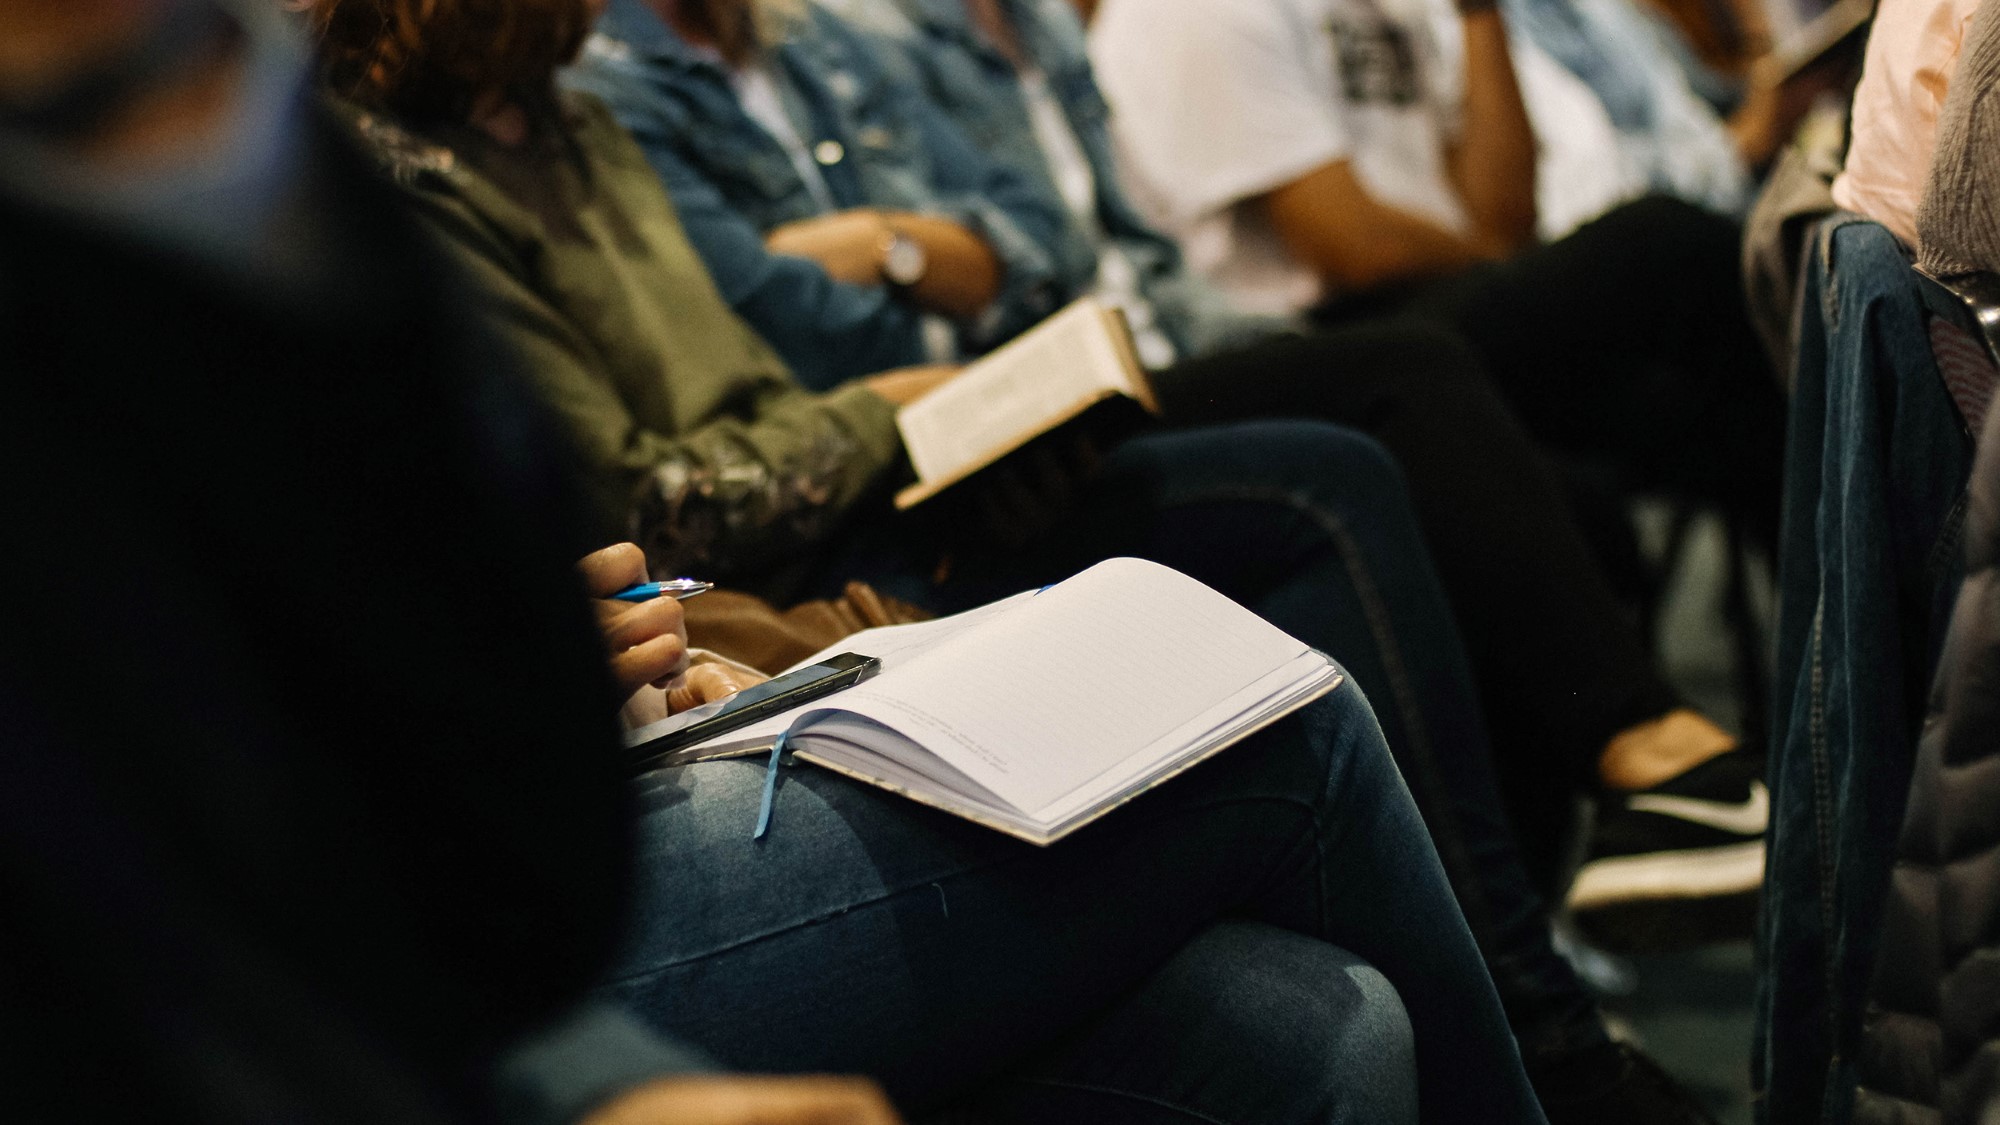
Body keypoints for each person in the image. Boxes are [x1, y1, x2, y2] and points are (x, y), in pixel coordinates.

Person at [307, 1, 1560, 1120]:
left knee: (1322, 1024)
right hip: (486, 891)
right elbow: (659, 488)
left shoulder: (590, 122)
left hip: (658, 703)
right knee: (1284, 712)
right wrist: (892, 401)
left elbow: (1026, 248)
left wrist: (575, 672)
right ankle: (1563, 1052)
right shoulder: (375, 180)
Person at [1086, 0, 1789, 548]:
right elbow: (1358, 248)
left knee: (1684, 408)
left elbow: (1508, 213)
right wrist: (1490, 248)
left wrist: (1479, 13)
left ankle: (1840, 640)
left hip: (1448, 299)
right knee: (1662, 242)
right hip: (1319, 343)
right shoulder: (1189, 14)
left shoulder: (1407, 11)